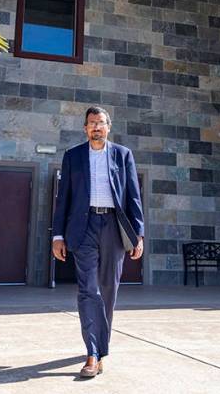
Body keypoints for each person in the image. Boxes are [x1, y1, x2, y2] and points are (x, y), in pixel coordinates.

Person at [51, 106, 145, 378]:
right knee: (88, 289)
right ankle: (93, 353)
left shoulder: (123, 155)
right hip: (84, 228)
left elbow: (133, 197)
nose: (96, 127)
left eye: (101, 123)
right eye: (91, 123)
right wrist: (58, 235)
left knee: (108, 289)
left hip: (114, 227)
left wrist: (138, 234)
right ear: (84, 128)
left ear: (108, 127)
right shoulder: (73, 156)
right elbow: (63, 199)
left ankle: (100, 343)